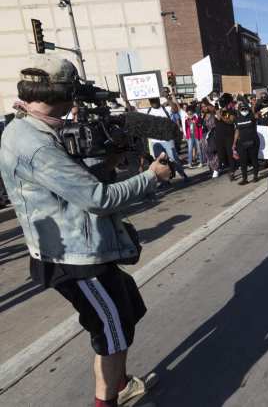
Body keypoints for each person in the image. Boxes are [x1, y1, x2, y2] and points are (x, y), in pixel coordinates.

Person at [0, 55, 172, 407]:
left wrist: (106, 162)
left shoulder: (35, 127)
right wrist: (151, 176)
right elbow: (97, 198)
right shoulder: (36, 144)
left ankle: (119, 383)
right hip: (74, 260)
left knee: (128, 310)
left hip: (86, 248)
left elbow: (72, 184)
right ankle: (107, 399)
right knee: (113, 333)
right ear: (62, 95)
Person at [143, 96, 188, 185]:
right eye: (152, 101)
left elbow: (175, 109)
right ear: (149, 101)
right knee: (160, 162)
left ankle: (183, 175)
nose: (154, 102)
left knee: (174, 158)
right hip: (155, 141)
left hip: (167, 139)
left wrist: (167, 97)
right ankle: (165, 181)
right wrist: (127, 101)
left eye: (155, 100)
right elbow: (131, 111)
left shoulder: (165, 108)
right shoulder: (147, 111)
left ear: (158, 99)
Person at [233, 102, 260, 184]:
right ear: (239, 109)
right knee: (243, 161)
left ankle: (255, 176)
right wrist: (234, 143)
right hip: (242, 143)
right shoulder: (237, 119)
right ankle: (245, 179)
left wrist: (254, 106)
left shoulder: (252, 116)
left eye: (245, 108)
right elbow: (237, 131)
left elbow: (257, 114)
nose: (244, 110)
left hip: (253, 141)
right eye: (242, 109)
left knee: (254, 159)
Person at [215, 93, 237, 180]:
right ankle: (229, 168)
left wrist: (222, 117)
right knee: (221, 156)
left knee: (230, 154)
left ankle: (232, 171)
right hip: (219, 137)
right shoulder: (218, 111)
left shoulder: (231, 111)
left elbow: (230, 121)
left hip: (229, 136)